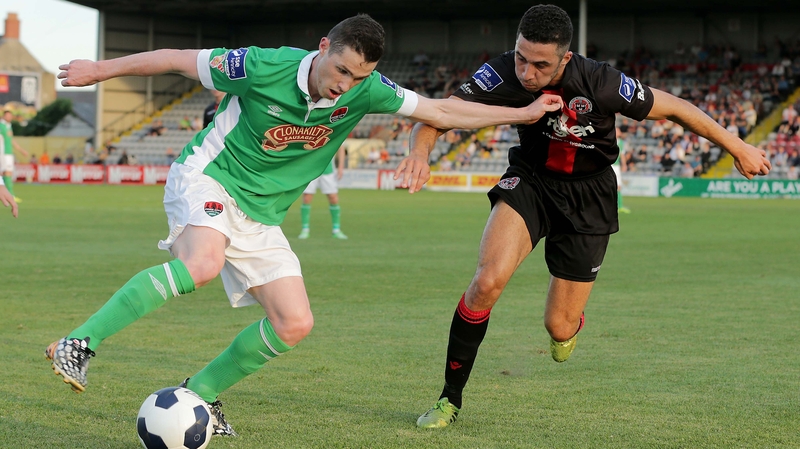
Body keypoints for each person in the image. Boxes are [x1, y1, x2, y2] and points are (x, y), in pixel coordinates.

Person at [49, 13, 563, 437]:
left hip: (262, 214)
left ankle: (199, 395)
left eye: (358, 78)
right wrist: (100, 69)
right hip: (210, 178)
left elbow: (441, 110)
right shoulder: (260, 65)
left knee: (294, 323)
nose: (345, 85)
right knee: (200, 265)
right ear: (322, 47)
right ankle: (78, 341)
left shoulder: (367, 91)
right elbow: (173, 60)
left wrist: (522, 115)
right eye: (340, 70)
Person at [393, 4, 771, 429]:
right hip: (531, 182)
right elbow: (435, 114)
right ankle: (449, 399)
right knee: (486, 281)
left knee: (558, 326)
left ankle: (570, 325)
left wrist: (737, 146)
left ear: (565, 59)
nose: (526, 72)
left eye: (540, 64)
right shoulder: (499, 74)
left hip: (590, 196)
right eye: (520, 57)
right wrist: (418, 154)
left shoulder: (601, 81)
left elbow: (677, 108)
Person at [298, 145, 348, 239]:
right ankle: (305, 229)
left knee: (333, 198)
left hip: (328, 169)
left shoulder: (333, 130)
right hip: (311, 169)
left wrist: (341, 167)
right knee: (307, 197)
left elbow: (341, 147)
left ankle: (336, 230)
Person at [0, 109, 30, 202]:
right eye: (7, 115)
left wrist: (21, 150)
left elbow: (11, 140)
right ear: (4, 116)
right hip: (3, 153)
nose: (9, 117)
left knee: (6, 173)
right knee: (7, 173)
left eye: (10, 116)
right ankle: (10, 195)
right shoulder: (1, 126)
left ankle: (6, 195)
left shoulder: (9, 126)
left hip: (9, 152)